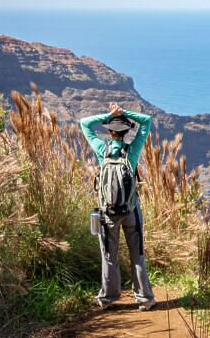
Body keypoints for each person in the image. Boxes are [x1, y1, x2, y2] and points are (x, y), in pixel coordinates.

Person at [80, 102, 155, 311]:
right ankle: (144, 298)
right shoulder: (131, 152)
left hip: (107, 214)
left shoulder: (101, 150)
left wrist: (109, 115)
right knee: (137, 254)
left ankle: (108, 298)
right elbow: (147, 121)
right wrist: (124, 113)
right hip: (130, 211)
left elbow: (84, 123)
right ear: (125, 133)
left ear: (110, 131)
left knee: (108, 256)